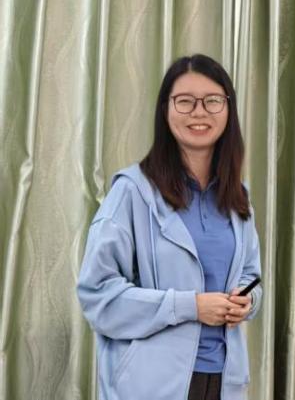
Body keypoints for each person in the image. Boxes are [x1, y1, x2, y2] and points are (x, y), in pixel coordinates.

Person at [77, 54, 263, 400]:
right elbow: (97, 294)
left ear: (229, 109)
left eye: (212, 101)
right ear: (165, 110)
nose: (199, 112)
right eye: (185, 101)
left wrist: (248, 300)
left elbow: (251, 274)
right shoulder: (132, 192)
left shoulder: (238, 195)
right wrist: (190, 306)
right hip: (151, 385)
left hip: (224, 380)